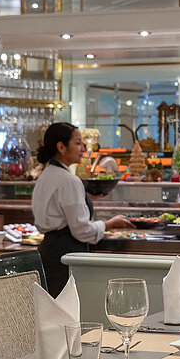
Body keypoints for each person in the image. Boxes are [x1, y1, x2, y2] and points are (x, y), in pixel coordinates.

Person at [32, 122, 133, 296]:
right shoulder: (69, 180)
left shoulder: (46, 175)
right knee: (68, 312)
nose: (83, 148)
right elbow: (82, 230)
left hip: (48, 252)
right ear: (61, 147)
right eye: (78, 143)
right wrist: (108, 224)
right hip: (66, 254)